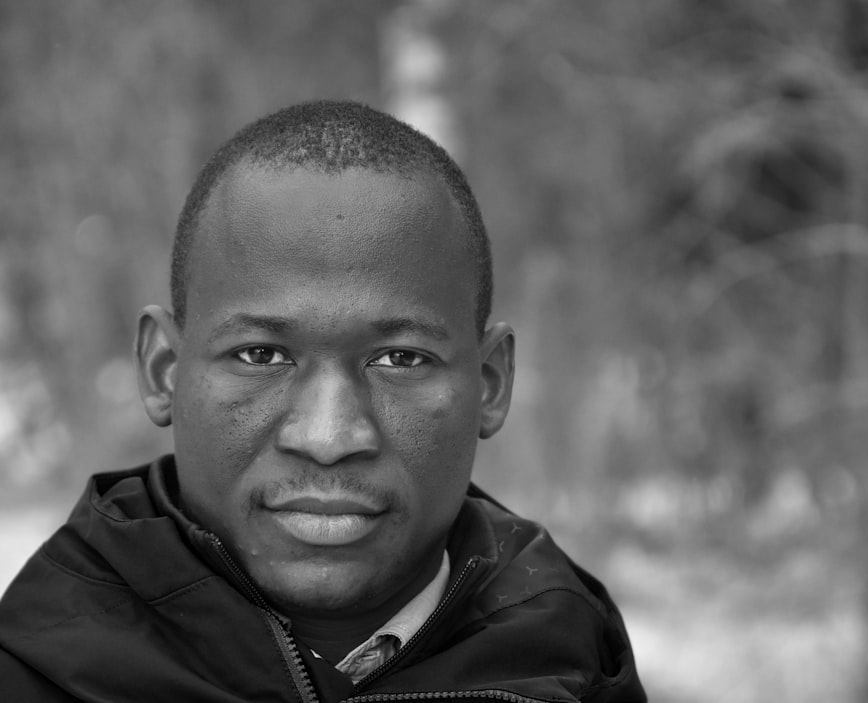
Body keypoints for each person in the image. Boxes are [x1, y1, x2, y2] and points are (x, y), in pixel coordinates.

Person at [0, 100, 646, 702]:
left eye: (400, 358)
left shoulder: (574, 666)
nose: (329, 435)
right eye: (261, 355)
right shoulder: (32, 672)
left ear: (491, 384)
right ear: (164, 369)